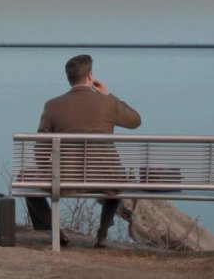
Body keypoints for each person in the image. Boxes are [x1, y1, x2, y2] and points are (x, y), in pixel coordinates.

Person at [26, 54, 141, 247]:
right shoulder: (109, 103)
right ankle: (102, 234)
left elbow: (41, 152)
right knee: (117, 177)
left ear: (69, 78)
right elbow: (135, 121)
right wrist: (108, 94)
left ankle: (54, 231)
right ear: (90, 76)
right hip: (107, 179)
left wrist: (46, 168)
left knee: (25, 179)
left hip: (64, 180)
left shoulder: (52, 105)